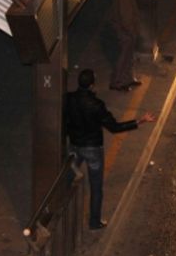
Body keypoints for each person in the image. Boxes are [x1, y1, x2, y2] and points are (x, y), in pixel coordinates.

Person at [65, 69, 157, 229]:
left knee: (67, 181)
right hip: (93, 148)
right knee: (96, 187)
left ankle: (61, 215)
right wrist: (140, 121)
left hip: (74, 146)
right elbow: (114, 127)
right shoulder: (97, 105)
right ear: (93, 85)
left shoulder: (68, 99)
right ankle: (94, 222)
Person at [109, 0, 141, 91]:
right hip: (125, 31)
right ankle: (117, 82)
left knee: (128, 56)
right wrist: (131, 31)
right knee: (124, 57)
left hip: (124, 30)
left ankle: (127, 79)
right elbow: (125, 15)